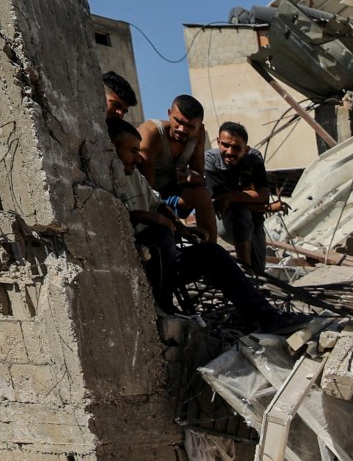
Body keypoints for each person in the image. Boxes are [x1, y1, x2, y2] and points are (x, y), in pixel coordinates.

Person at [108, 118, 287, 330]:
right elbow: (112, 219)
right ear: (111, 149)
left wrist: (182, 228)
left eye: (139, 151)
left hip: (161, 264)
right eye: (132, 151)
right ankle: (163, 306)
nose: (138, 158)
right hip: (135, 265)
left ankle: (267, 318)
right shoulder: (104, 178)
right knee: (160, 234)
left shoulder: (134, 175)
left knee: (211, 251)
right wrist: (148, 218)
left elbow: (157, 204)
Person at [205, 122, 285, 273]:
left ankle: (252, 276)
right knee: (239, 214)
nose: (229, 152)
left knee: (259, 269)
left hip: (254, 220)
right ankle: (245, 271)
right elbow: (221, 203)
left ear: (246, 149)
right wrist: (266, 207)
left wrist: (231, 197)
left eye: (236, 148)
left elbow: (262, 195)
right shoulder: (210, 160)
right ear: (218, 141)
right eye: (225, 145)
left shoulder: (254, 158)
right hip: (226, 220)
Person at [137, 94, 216, 244]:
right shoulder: (153, 132)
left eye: (190, 126)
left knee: (203, 195)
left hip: (173, 194)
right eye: (178, 122)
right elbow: (145, 188)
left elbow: (198, 175)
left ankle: (211, 251)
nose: (182, 129)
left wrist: (190, 177)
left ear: (199, 127)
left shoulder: (198, 136)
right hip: (149, 197)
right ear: (169, 114)